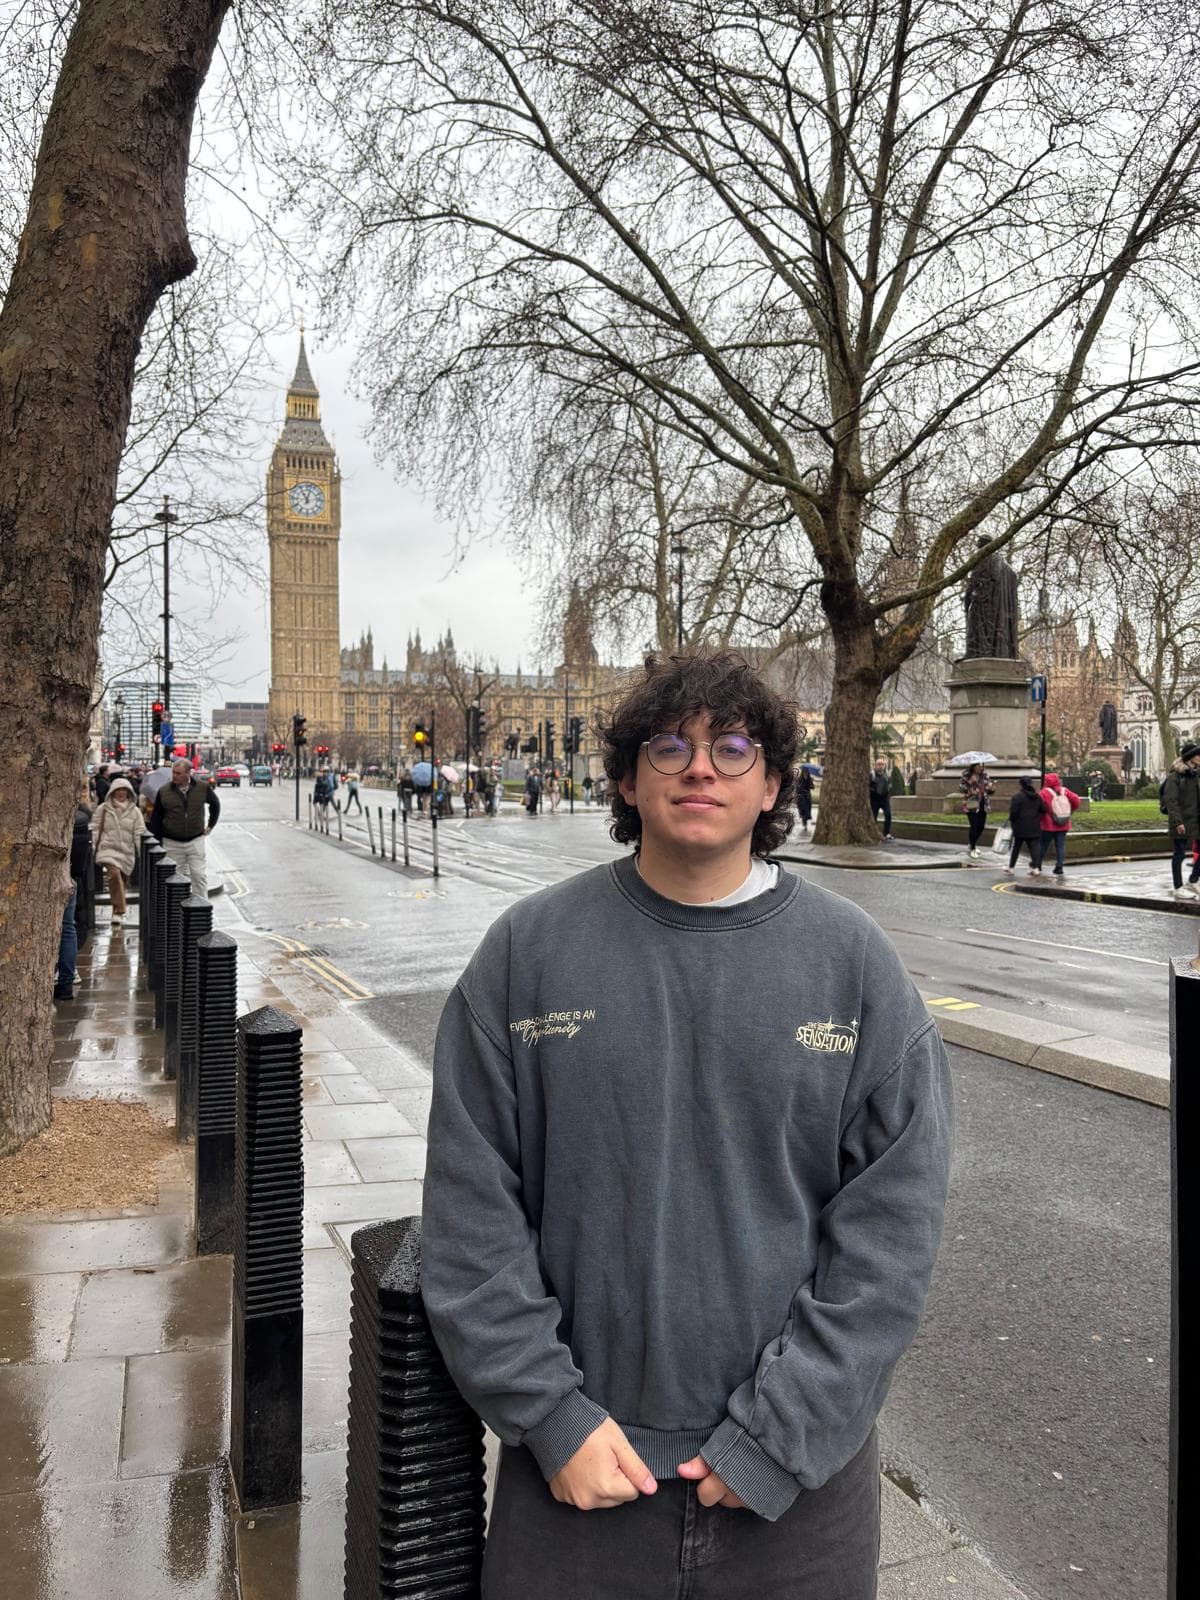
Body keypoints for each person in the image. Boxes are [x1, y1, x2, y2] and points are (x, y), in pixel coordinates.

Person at [422, 650, 953, 1600]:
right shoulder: (526, 956)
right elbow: (471, 1219)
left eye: (733, 747)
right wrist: (552, 1418)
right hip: (580, 1491)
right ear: (627, 778)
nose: (700, 767)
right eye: (669, 747)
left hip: (797, 1510)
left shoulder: (855, 966)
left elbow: (891, 1240)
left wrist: (778, 1437)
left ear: (773, 785)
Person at [149, 756, 220, 898]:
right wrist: (158, 843)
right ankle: (177, 912)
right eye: (173, 772)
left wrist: (211, 825)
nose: (174, 776)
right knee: (175, 879)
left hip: (195, 840)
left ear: (188, 773)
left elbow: (215, 804)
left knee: (199, 876)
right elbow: (156, 818)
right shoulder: (164, 791)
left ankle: (202, 908)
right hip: (171, 842)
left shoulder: (202, 788)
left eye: (178, 773)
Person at [90, 776, 147, 927]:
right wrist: (93, 847)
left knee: (120, 882)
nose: (121, 793)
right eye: (118, 790)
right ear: (112, 792)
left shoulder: (135, 812)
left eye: (124, 790)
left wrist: (142, 853)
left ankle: (116, 911)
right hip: (107, 849)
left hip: (126, 852)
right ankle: (120, 910)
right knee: (114, 875)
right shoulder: (103, 809)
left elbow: (139, 832)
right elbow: (95, 829)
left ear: (129, 792)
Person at [55, 787, 93, 1001]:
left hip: (53, 878)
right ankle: (67, 981)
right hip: (71, 878)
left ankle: (57, 976)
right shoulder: (82, 817)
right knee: (68, 929)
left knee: (62, 928)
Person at [1163, 742, 1200, 900]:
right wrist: (1178, 822)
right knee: (1179, 854)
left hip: (1196, 820)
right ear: (1190, 757)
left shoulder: (1196, 775)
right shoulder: (1175, 776)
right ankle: (1178, 887)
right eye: (1198, 755)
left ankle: (1193, 880)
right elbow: (1171, 801)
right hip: (1181, 821)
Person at [1036, 770, 1081, 878]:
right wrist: (1070, 811)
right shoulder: (1064, 791)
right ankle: (1059, 867)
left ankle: (1037, 865)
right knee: (1060, 845)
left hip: (1048, 824)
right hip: (1063, 823)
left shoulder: (1043, 793)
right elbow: (1077, 800)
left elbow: (1038, 807)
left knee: (1043, 845)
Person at [1005, 775, 1047, 874]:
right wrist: (1037, 817)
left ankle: (1011, 868)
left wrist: (1013, 822)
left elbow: (1013, 813)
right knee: (1034, 848)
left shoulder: (1017, 797)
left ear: (1021, 785)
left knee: (1016, 848)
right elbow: (1043, 809)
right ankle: (1036, 868)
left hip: (1020, 826)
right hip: (1034, 826)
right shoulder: (1037, 797)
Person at [958, 762, 994, 858]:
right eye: (978, 766)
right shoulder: (966, 775)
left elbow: (989, 790)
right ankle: (973, 848)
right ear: (974, 767)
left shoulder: (985, 776)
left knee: (981, 827)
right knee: (974, 826)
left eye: (982, 766)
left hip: (983, 804)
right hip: (971, 804)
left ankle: (971, 843)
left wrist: (990, 789)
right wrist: (971, 783)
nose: (981, 768)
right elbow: (961, 788)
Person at [869, 760, 893, 840]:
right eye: (879, 764)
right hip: (875, 799)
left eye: (882, 764)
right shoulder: (872, 774)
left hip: (885, 799)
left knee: (888, 815)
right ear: (875, 765)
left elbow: (889, 785)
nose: (881, 766)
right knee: (874, 817)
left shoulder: (887, 774)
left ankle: (887, 833)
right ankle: (873, 832)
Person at [795, 765, 814, 831]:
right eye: (804, 772)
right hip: (801, 796)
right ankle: (804, 823)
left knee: (807, 810)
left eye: (806, 772)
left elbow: (812, 787)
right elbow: (797, 788)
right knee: (803, 809)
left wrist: (811, 783)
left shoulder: (809, 779)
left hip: (807, 796)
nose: (805, 773)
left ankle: (805, 823)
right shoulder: (799, 779)